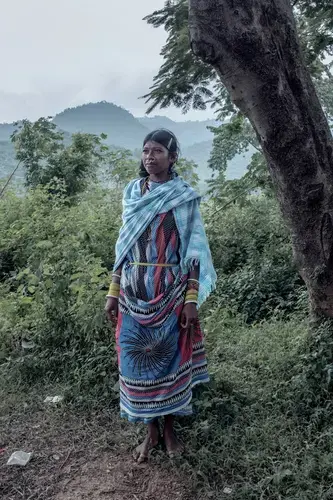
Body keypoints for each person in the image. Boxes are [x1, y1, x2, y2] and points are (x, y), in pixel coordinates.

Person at [105, 129, 216, 463]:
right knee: (135, 365)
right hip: (132, 292)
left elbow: (193, 252)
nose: (149, 157)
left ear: (172, 157)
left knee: (168, 361)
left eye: (157, 151)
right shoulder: (132, 193)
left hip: (169, 292)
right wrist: (112, 291)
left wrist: (191, 299)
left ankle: (169, 430)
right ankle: (149, 431)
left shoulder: (183, 197)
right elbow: (122, 246)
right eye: (145, 151)